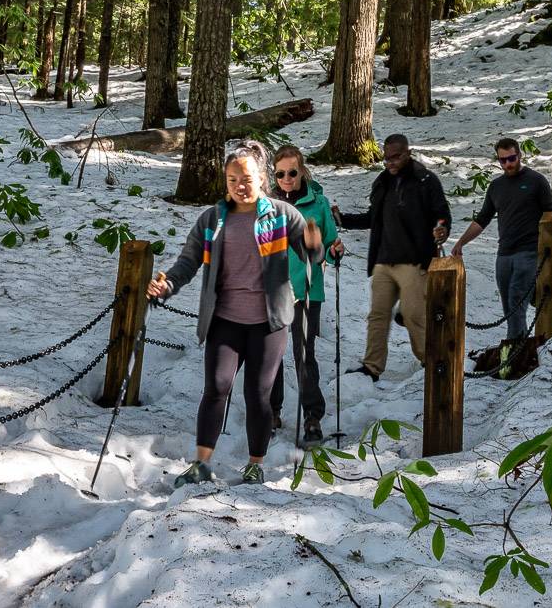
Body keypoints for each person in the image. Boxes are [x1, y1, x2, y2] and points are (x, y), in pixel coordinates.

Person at [148, 141, 323, 487]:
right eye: (231, 180)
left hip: (269, 323)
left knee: (258, 394)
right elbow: (188, 261)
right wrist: (168, 285)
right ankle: (202, 463)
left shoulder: (282, 215)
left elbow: (309, 254)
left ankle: (255, 464)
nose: (239, 186)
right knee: (216, 387)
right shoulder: (213, 219)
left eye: (245, 178)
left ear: (261, 178)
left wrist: (315, 244)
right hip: (225, 319)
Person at [332, 134, 451, 381]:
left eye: (396, 157)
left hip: (414, 261)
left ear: (408, 152)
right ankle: (372, 367)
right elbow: (372, 217)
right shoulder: (382, 182)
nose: (391, 162)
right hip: (384, 261)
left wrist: (441, 228)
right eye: (386, 158)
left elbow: (442, 214)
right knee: (378, 315)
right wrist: (342, 219)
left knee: (413, 314)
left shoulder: (425, 180)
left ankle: (430, 360)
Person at [451, 138, 552, 340]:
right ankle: (518, 342)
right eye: (503, 160)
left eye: (512, 158)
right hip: (504, 253)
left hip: (529, 252)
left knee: (517, 297)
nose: (508, 163)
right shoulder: (496, 187)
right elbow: (482, 219)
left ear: (519, 155)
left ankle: (513, 346)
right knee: (508, 305)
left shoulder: (536, 181)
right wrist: (461, 242)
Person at [268, 145, 343, 446]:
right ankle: (271, 411)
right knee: (270, 355)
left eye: (292, 172)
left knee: (303, 354)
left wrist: (335, 251)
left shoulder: (319, 204)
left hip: (308, 290)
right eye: (280, 173)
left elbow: (330, 247)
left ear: (301, 171)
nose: (287, 178)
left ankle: (312, 417)